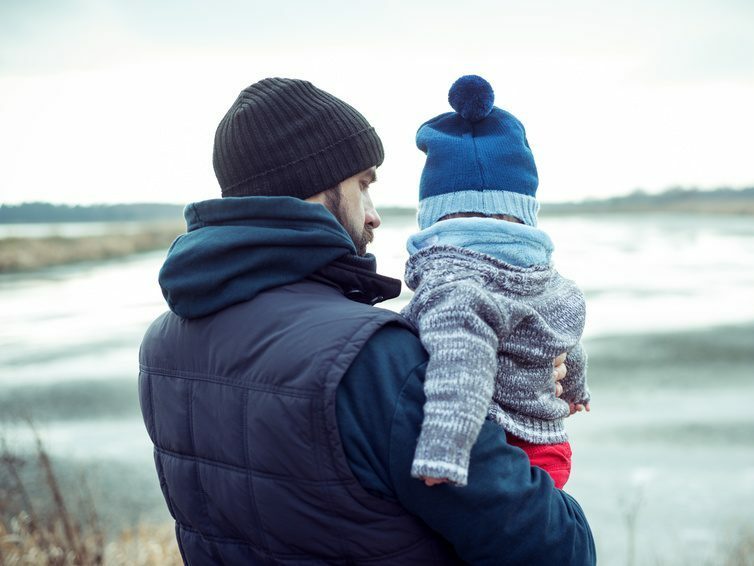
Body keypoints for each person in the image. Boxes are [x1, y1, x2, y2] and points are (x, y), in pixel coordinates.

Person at [138, 77, 595, 565]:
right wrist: (512, 387)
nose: (374, 216)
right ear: (315, 184)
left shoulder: (162, 347)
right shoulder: (377, 360)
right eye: (363, 185)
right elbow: (555, 549)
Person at [402, 75, 591, 490]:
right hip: (552, 445)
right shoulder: (551, 282)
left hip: (501, 445)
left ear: (433, 218)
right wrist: (577, 390)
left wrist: (442, 454)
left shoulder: (454, 285)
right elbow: (565, 339)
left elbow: (461, 365)